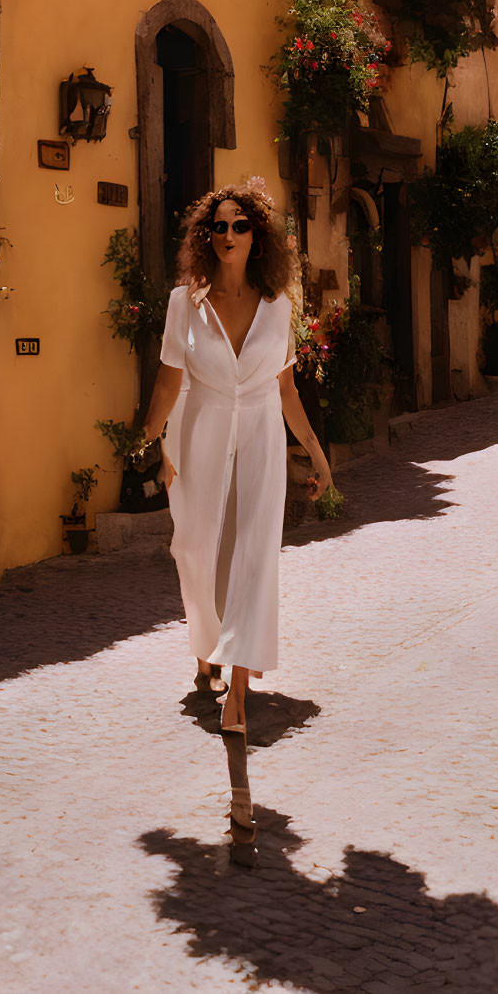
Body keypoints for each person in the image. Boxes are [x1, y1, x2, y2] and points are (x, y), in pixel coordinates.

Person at [142, 180, 331, 742]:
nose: (228, 234)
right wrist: (148, 443)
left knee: (252, 555)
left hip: (261, 439)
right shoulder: (185, 304)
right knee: (197, 550)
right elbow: (167, 381)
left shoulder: (279, 308)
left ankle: (239, 693)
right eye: (218, 226)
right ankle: (207, 648)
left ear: (258, 237)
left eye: (239, 225)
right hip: (198, 435)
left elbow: (288, 391)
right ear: (208, 237)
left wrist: (316, 454)